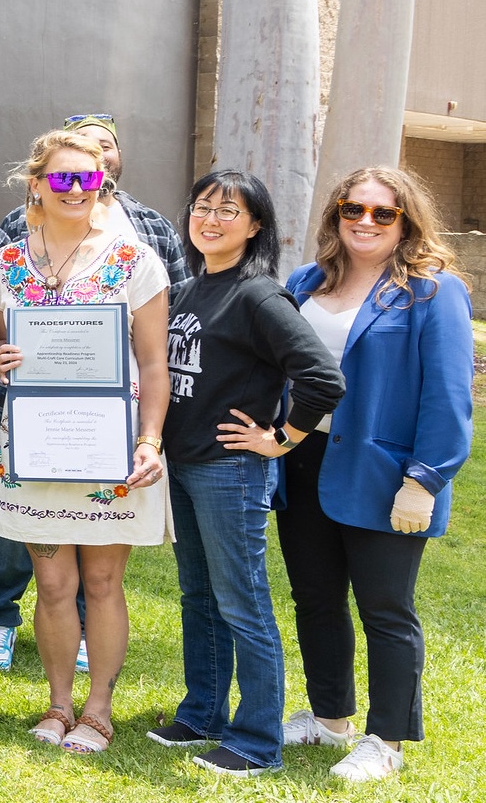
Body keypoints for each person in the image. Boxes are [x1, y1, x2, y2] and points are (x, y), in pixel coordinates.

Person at [0, 112, 186, 670]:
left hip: (110, 450)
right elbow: (3, 344)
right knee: (53, 584)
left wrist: (151, 441)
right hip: (34, 450)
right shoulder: (8, 263)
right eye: (62, 178)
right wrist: (4, 356)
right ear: (36, 184)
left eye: (88, 180)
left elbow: (155, 363)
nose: (75, 189)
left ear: (103, 186)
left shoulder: (136, 262)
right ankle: (59, 706)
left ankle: (98, 712)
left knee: (104, 583)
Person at [277, 167, 473, 782]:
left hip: (386, 472)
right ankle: (330, 717)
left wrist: (425, 479)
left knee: (386, 609)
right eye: (351, 208)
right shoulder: (307, 281)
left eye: (382, 213)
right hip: (303, 461)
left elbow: (447, 395)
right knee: (315, 598)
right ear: (335, 214)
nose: (364, 221)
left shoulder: (432, 292)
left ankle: (387, 739)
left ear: (406, 221)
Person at [145, 170, 344, 775]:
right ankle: (203, 713)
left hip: (230, 472)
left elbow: (322, 379)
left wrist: (281, 438)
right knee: (199, 596)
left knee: (242, 602)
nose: (210, 219)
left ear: (256, 226)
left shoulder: (258, 295)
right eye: (202, 206)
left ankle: (258, 739)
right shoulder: (194, 287)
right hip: (184, 464)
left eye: (228, 212)